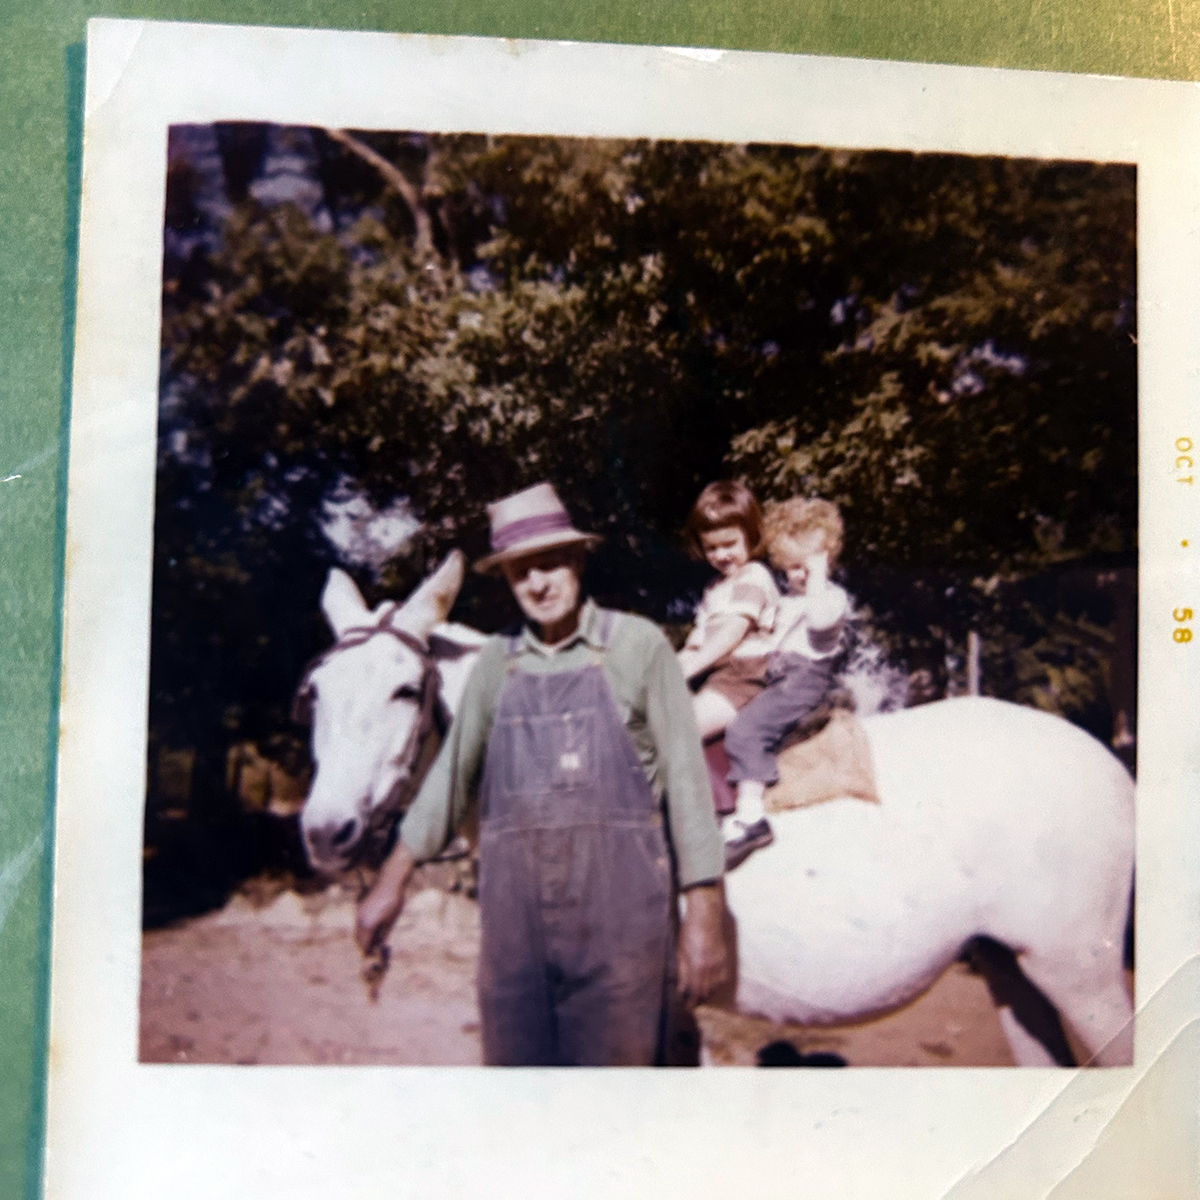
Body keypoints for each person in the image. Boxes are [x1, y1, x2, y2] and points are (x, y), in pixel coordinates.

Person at [355, 482, 728, 1066]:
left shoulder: (639, 646)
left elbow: (687, 784)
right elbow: (449, 779)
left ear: (577, 559)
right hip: (516, 945)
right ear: (506, 580)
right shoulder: (494, 666)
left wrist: (704, 918)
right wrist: (391, 881)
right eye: (519, 571)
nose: (537, 582)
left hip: (623, 941)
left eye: (549, 562)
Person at [722, 498, 849, 869]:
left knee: (747, 729)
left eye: (809, 564)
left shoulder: (829, 598)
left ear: (827, 560)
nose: (801, 574)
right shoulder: (786, 601)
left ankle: (751, 817)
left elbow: (821, 623)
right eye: (793, 567)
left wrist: (818, 578)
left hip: (805, 678)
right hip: (777, 676)